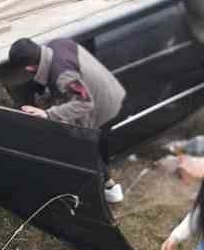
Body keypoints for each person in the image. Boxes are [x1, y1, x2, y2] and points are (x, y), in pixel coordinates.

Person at [7, 35, 126, 204]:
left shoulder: (62, 74)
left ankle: (110, 189)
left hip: (102, 103)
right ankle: (101, 182)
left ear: (29, 68)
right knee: (85, 141)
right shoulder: (56, 43)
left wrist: (48, 114)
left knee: (81, 143)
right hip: (105, 86)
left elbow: (84, 103)